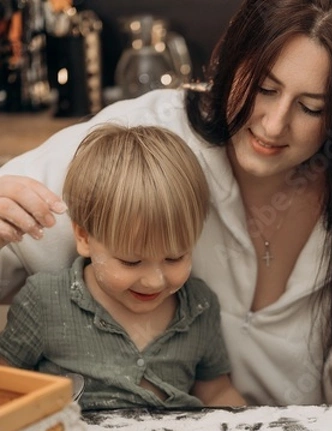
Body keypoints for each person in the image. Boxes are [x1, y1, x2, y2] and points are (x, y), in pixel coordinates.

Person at [0, 0, 332, 406]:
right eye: (264, 88)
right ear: (231, 61)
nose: (274, 124)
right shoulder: (145, 140)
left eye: (311, 107)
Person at [0, 124, 246, 409]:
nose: (154, 281)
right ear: (83, 236)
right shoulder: (44, 301)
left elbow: (216, 392)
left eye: (175, 257)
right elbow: (7, 382)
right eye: (131, 261)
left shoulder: (199, 306)